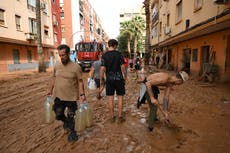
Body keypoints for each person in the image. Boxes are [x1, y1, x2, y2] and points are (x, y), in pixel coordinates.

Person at [47, 44, 86, 142]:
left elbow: (80, 81)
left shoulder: (76, 67)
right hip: (59, 96)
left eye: (63, 55)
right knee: (58, 114)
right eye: (60, 55)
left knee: (71, 115)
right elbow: (53, 78)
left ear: (69, 54)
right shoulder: (56, 65)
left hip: (71, 97)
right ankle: (66, 122)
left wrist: (82, 94)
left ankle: (73, 132)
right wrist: (50, 90)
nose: (61, 57)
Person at [100, 39, 127, 123]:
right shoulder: (119, 55)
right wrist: (125, 76)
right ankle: (119, 117)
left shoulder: (104, 56)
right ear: (115, 45)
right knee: (120, 97)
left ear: (108, 45)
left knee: (110, 98)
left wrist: (102, 79)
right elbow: (123, 67)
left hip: (109, 80)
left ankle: (112, 117)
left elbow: (102, 69)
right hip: (119, 79)